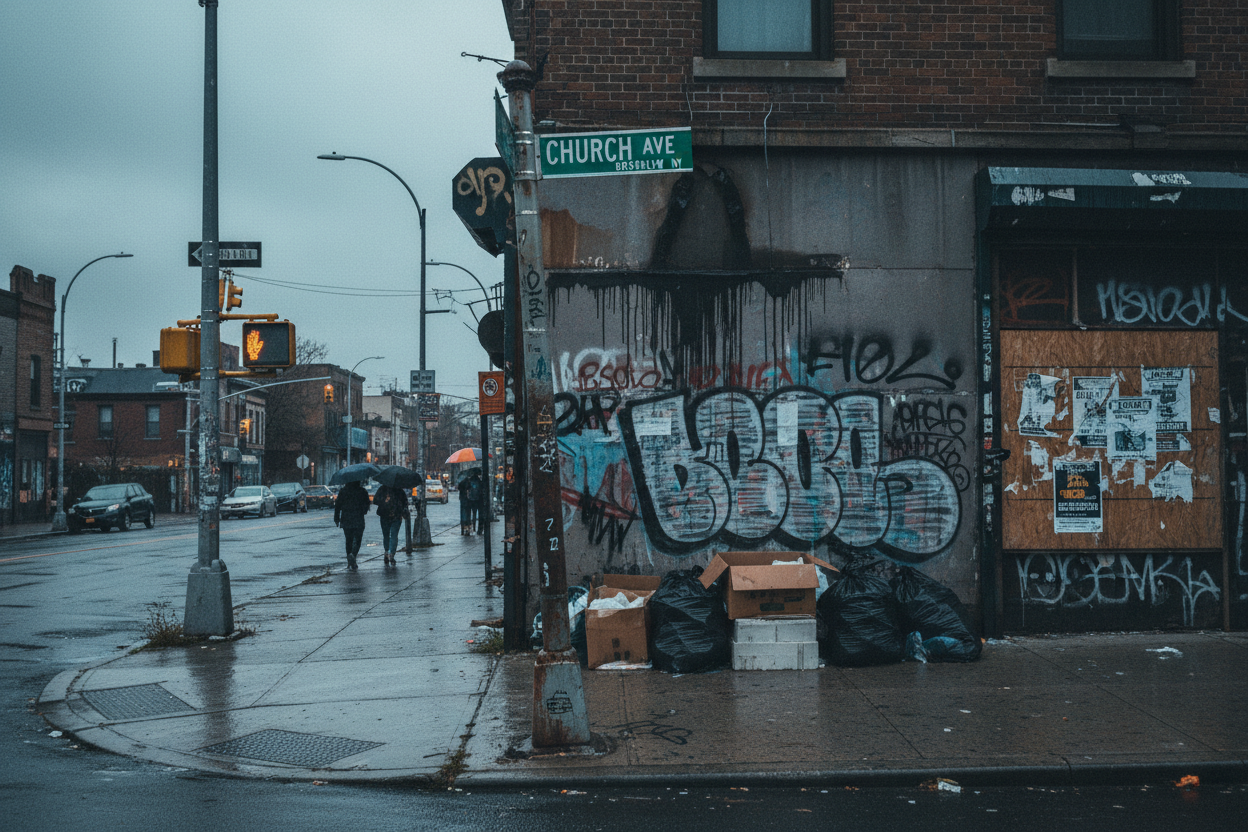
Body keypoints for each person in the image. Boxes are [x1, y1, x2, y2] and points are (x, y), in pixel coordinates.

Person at [333, 480, 370, 570]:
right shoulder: (362, 491)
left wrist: (336, 518)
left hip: (346, 518)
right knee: (357, 540)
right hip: (358, 518)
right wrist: (363, 510)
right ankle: (353, 555)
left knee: (348, 540)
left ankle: (350, 559)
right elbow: (367, 504)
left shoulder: (343, 491)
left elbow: (337, 505)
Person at [373, 482, 408, 565]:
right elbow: (405, 503)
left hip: (391, 516)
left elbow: (375, 500)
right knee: (391, 535)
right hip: (390, 516)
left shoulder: (383, 489)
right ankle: (390, 553)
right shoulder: (398, 491)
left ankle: (389, 552)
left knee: (390, 535)